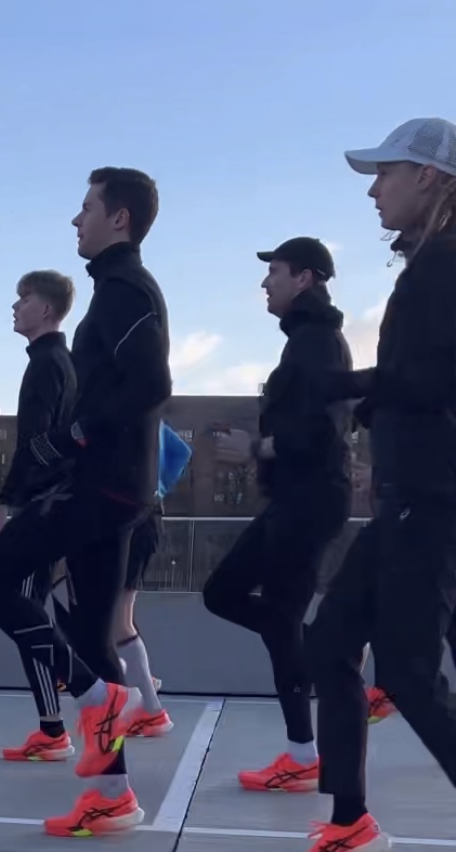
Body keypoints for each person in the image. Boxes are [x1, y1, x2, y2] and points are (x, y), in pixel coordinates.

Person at [0, 167, 171, 837]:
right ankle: (112, 794)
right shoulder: (115, 288)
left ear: (120, 219)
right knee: (89, 637)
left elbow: (153, 383)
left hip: (104, 486)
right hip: (114, 487)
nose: (76, 219)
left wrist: (77, 434)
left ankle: (92, 696)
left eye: (86, 208)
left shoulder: (125, 288)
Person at [282, 117, 456, 852]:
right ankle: (350, 822)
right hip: (406, 498)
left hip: (432, 498)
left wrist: (349, 385)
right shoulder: (428, 264)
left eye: (386, 173)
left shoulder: (444, 264)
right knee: (329, 646)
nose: (374, 190)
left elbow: (436, 380)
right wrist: (373, 401)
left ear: (431, 178)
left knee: (410, 675)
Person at [202, 237, 352, 793]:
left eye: (276, 272)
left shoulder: (317, 341)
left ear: (304, 278)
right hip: (295, 499)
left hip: (308, 501)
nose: (266, 283)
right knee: (231, 598)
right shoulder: (308, 340)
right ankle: (325, 661)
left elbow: (319, 434)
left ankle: (304, 752)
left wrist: (255, 448)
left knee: (275, 616)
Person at [0, 270, 80, 761]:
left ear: (47, 309)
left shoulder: (46, 365)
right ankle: (54, 724)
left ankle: (66, 715)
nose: (15, 307)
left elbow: (33, 447)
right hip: (54, 502)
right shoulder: (61, 362)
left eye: (24, 298)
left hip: (41, 505)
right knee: (30, 608)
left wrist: (7, 503)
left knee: (20, 608)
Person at [118, 420, 191, 737]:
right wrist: (158, 488)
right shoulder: (149, 415)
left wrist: (155, 489)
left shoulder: (126, 412)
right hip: (143, 517)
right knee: (114, 617)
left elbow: (181, 452)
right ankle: (140, 686)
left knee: (117, 620)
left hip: (133, 522)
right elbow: (180, 451)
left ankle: (149, 705)